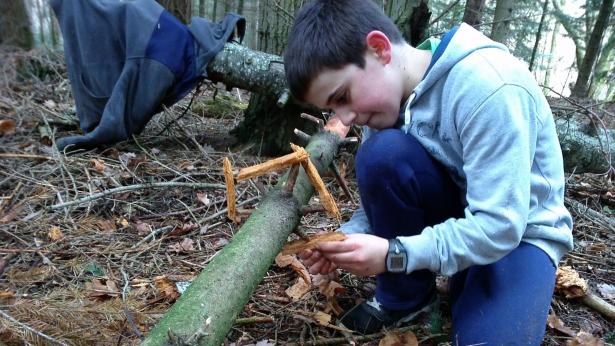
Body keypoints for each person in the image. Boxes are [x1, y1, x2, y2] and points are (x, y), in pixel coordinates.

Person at [283, 0, 573, 343]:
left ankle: (482, 288)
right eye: (332, 108)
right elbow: (383, 191)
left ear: (379, 49)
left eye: (343, 96)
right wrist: (345, 239)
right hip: (460, 221)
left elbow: (501, 225)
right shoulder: (387, 102)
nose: (343, 119)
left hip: (519, 235)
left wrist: (396, 255)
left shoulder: (488, 85)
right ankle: (406, 298)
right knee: (382, 154)